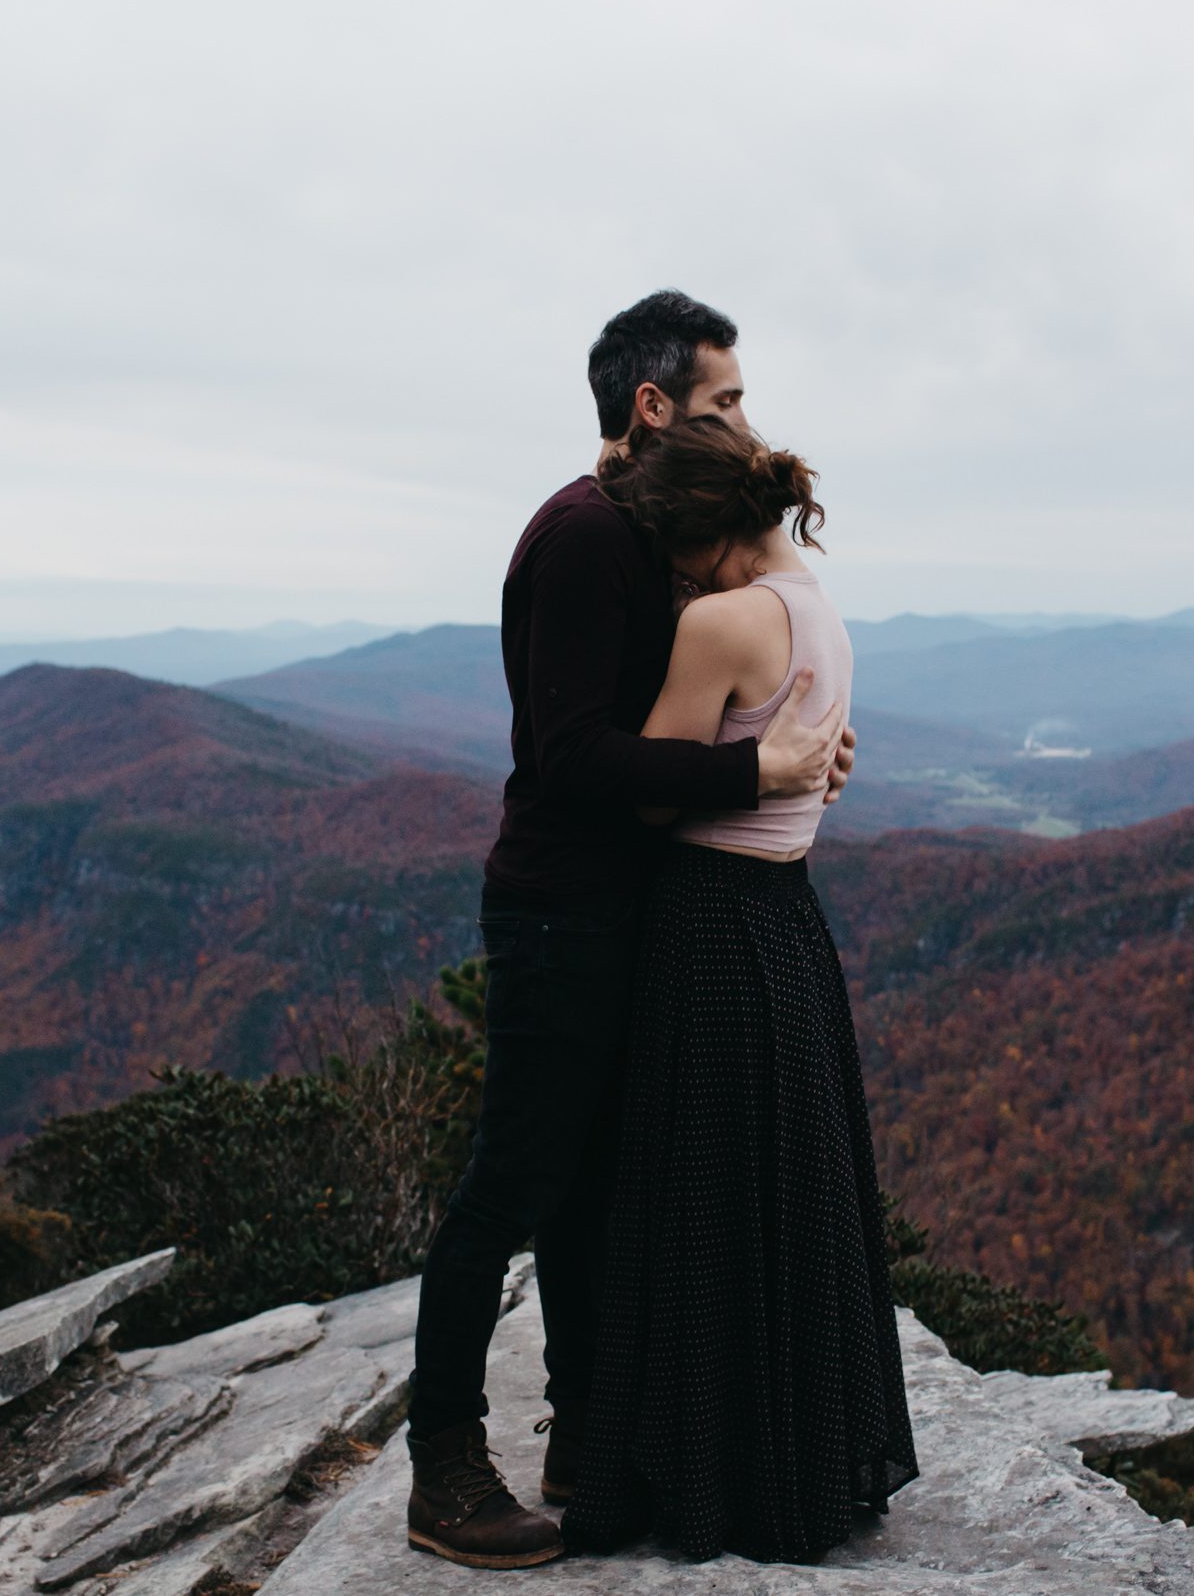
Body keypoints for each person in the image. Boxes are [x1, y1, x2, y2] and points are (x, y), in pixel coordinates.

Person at [404, 292, 857, 1569]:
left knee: (597, 1191)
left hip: (628, 908)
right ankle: (443, 1466)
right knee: (512, 1184)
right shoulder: (584, 538)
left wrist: (785, 740)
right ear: (649, 407)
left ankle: (588, 1433)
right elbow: (573, 756)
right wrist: (757, 771)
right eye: (722, 400)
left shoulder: (651, 533)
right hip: (560, 910)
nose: (743, 424)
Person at [561, 415, 918, 1564]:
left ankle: (698, 1475)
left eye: (676, 546)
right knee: (780, 1194)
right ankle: (791, 1460)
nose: (671, 567)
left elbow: (656, 792)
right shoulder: (823, 611)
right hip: (789, 919)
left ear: (712, 532)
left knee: (697, 1197)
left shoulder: (720, 619)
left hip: (708, 921)